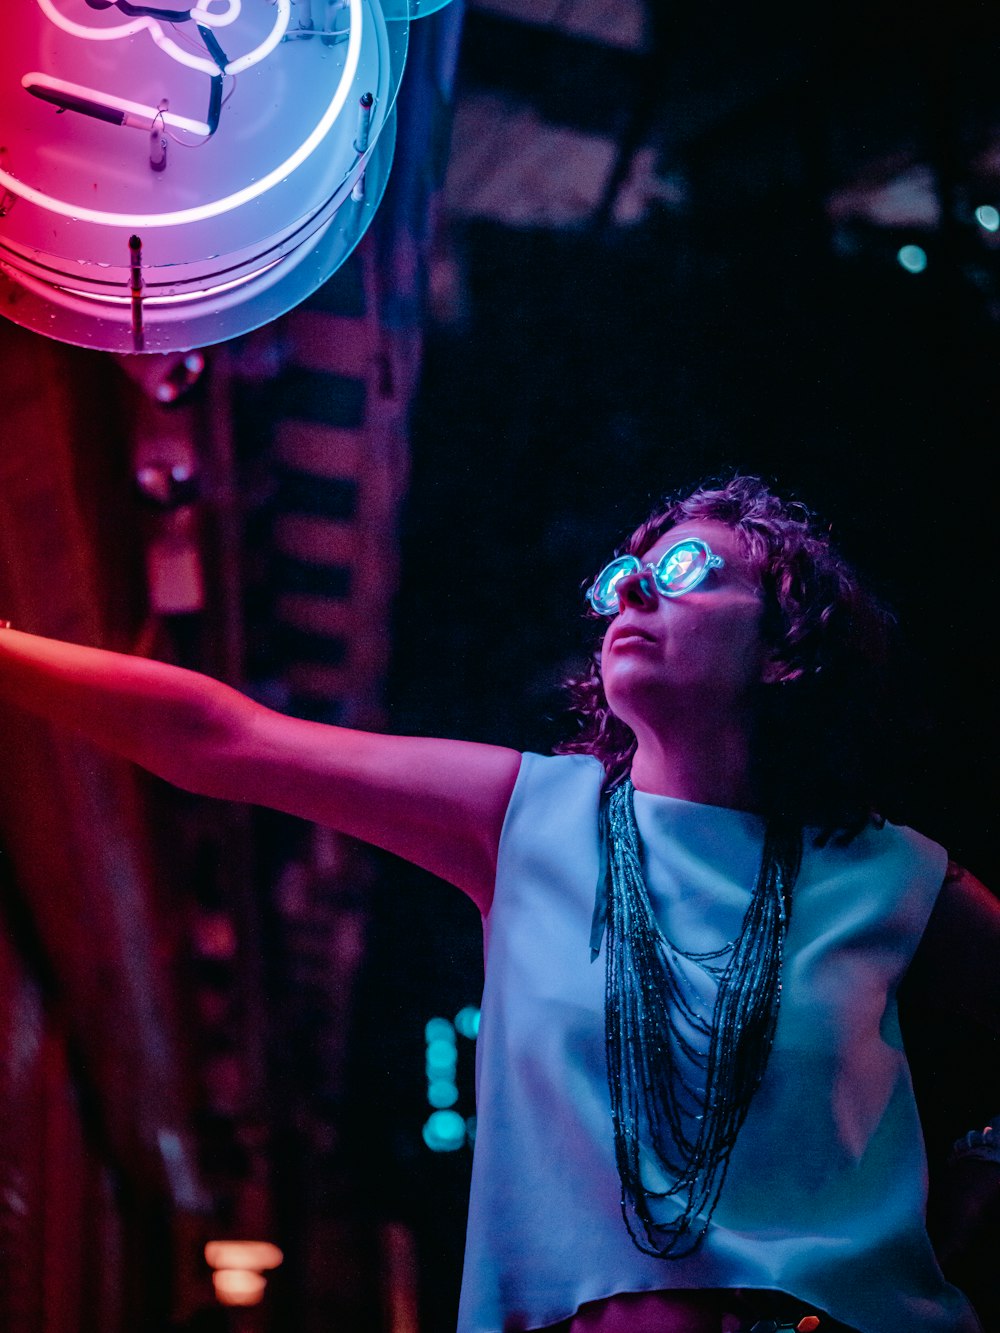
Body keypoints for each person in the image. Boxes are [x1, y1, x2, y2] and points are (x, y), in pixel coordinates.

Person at [0, 474, 997, 1333]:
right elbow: (225, 740)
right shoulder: (529, 819)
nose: (634, 593)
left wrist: (965, 1205)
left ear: (785, 637)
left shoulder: (888, 875)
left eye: (688, 573)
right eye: (620, 582)